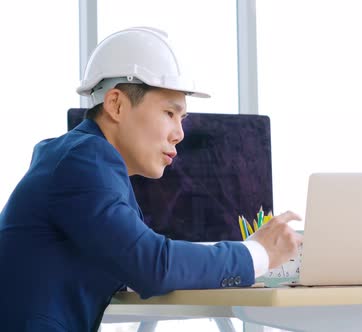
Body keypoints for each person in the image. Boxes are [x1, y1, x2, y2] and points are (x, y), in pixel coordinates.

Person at [0, 27, 303, 331]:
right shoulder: (84, 161)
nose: (180, 133)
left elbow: (139, 262)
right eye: (170, 113)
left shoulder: (84, 160)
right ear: (116, 104)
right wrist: (259, 253)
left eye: (181, 119)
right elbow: (152, 264)